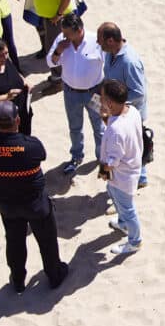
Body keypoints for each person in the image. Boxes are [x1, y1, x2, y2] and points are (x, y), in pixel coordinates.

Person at [0, 101, 68, 293]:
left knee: (14, 243)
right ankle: (54, 275)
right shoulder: (31, 146)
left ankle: (18, 279)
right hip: (35, 203)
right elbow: (41, 154)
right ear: (18, 120)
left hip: (7, 204)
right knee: (47, 241)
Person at [46, 13, 103, 173]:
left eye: (67, 33)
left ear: (79, 30)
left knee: (99, 127)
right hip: (71, 93)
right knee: (75, 128)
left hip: (94, 93)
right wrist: (58, 50)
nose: (64, 36)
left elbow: (109, 63)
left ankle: (101, 157)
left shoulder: (96, 41)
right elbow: (50, 61)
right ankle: (77, 156)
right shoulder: (61, 41)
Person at [97, 22, 149, 188]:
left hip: (131, 113)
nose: (98, 43)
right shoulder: (110, 54)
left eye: (100, 40)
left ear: (110, 40)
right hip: (116, 109)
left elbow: (139, 92)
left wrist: (116, 102)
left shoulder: (129, 62)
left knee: (133, 147)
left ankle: (140, 178)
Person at [99, 79, 142, 255]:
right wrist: (107, 119)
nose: (100, 100)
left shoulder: (116, 130)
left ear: (109, 102)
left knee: (128, 209)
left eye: (102, 98)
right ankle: (123, 224)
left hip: (122, 177)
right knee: (120, 203)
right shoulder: (132, 111)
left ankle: (135, 241)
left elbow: (113, 161)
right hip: (131, 168)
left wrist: (103, 171)